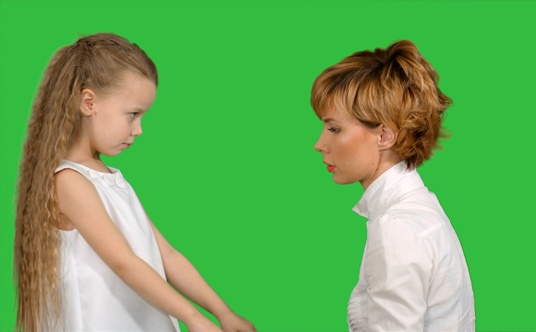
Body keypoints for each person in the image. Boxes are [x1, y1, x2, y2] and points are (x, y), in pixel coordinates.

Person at [14, 33, 256, 332]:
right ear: (88, 102)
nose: (139, 129)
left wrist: (223, 312)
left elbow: (168, 255)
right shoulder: (70, 182)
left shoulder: (111, 178)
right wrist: (192, 317)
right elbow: (123, 263)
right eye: (132, 114)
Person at [311, 40, 475, 331]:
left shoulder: (397, 227)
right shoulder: (420, 210)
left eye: (334, 129)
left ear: (384, 136)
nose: (320, 144)